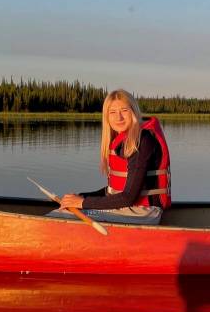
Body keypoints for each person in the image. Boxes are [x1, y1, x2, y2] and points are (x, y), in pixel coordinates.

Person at [51, 89, 171, 225]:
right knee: (65, 209)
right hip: (128, 208)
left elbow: (128, 197)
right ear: (106, 117)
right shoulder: (122, 140)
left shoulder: (142, 141)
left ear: (134, 112)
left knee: (58, 216)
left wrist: (83, 203)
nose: (118, 117)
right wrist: (81, 197)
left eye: (124, 110)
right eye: (112, 112)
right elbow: (113, 191)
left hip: (143, 212)